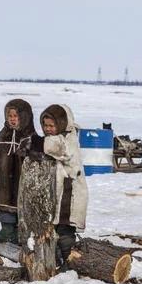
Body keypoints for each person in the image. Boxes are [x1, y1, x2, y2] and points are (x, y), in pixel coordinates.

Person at [27, 104, 89, 273]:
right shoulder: (57, 138)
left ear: (61, 123)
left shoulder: (69, 140)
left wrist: (39, 144)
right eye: (45, 125)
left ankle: (69, 261)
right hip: (56, 195)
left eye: (51, 126)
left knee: (65, 230)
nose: (47, 129)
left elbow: (59, 149)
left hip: (70, 194)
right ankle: (53, 258)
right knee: (51, 228)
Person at [0, 99, 36, 244]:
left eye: (16, 116)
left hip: (20, 179)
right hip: (2, 179)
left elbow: (36, 158)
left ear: (25, 116)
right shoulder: (2, 134)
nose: (12, 119)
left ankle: (18, 232)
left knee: (20, 206)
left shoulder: (30, 137)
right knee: (4, 204)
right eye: (10, 116)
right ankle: (6, 230)